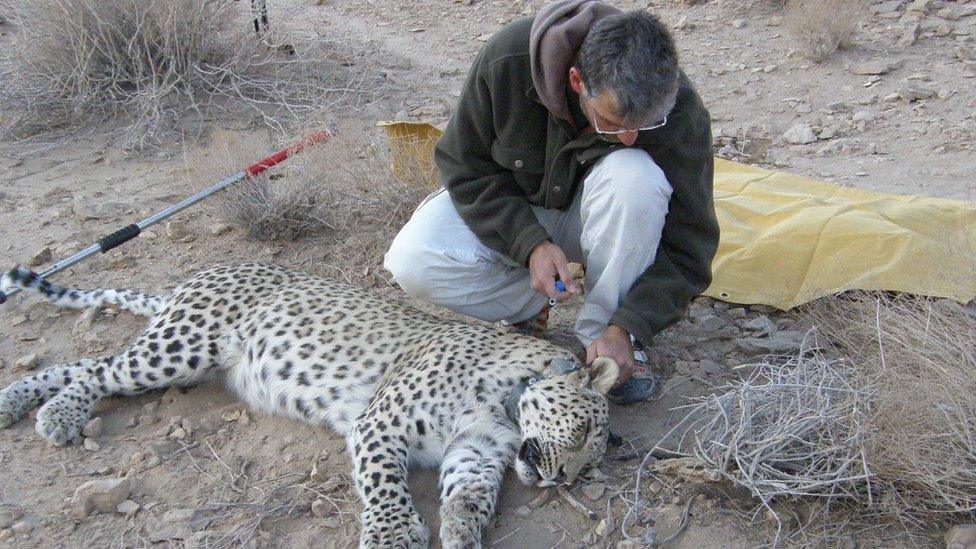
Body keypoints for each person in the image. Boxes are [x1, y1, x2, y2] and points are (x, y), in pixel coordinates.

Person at [384, 0, 719, 405]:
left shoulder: (677, 108)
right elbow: (463, 167)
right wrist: (530, 244)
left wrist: (632, 321)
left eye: (643, 126)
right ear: (577, 81)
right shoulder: (508, 60)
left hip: (602, 217)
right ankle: (532, 302)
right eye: (611, 123)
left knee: (637, 177)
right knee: (412, 259)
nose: (631, 136)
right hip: (520, 209)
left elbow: (690, 246)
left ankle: (608, 336)